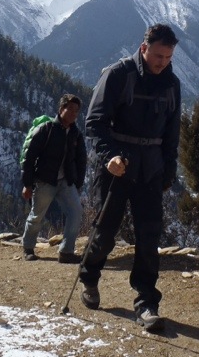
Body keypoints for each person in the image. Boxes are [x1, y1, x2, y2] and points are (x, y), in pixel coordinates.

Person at [79, 23, 181, 332]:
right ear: (143, 48)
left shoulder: (172, 84)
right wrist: (109, 155)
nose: (163, 62)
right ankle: (89, 277)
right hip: (117, 167)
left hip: (151, 170)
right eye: (158, 56)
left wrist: (169, 169)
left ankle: (147, 302)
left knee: (149, 237)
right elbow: (95, 122)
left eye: (168, 57)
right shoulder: (118, 74)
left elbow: (172, 131)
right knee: (105, 233)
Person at [21, 93, 87, 263]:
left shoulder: (76, 134)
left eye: (76, 111)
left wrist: (78, 182)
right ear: (61, 109)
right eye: (70, 109)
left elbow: (81, 160)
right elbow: (30, 158)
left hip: (66, 182)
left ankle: (66, 251)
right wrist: (28, 184)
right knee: (37, 216)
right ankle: (28, 248)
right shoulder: (46, 129)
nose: (73, 113)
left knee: (76, 212)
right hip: (45, 181)